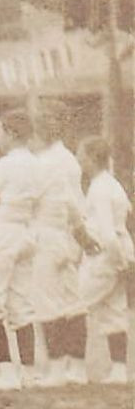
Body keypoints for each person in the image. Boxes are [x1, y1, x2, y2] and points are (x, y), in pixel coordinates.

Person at [0, 110, 42, 390]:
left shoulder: (6, 164)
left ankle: (6, 371)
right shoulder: (37, 163)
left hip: (3, 232)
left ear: (12, 134)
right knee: (21, 303)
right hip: (25, 232)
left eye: (0, 132)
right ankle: (28, 371)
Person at [31, 116, 90, 386]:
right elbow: (75, 204)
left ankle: (56, 369)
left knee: (47, 302)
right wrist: (82, 237)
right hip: (68, 234)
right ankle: (76, 367)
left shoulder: (43, 165)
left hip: (46, 234)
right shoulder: (67, 160)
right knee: (73, 301)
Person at [77, 136, 132, 384]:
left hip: (105, 255)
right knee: (114, 310)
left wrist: (118, 262)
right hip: (118, 252)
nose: (79, 159)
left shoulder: (99, 188)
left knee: (75, 304)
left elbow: (108, 232)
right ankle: (119, 371)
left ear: (91, 158)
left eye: (81, 154)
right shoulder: (112, 185)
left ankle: (72, 369)